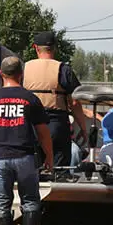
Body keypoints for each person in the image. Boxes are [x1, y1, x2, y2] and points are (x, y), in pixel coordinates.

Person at [0, 56, 53, 225]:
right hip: (25, 157)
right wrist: (49, 156)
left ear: (1, 74)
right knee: (31, 200)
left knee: (1, 201)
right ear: (21, 74)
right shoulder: (31, 98)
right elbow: (43, 132)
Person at [23, 31, 87, 166]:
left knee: (32, 171)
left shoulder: (24, 68)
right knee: (60, 172)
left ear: (35, 47)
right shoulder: (64, 69)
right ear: (55, 48)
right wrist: (83, 127)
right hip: (56, 124)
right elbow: (75, 102)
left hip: (29, 125)